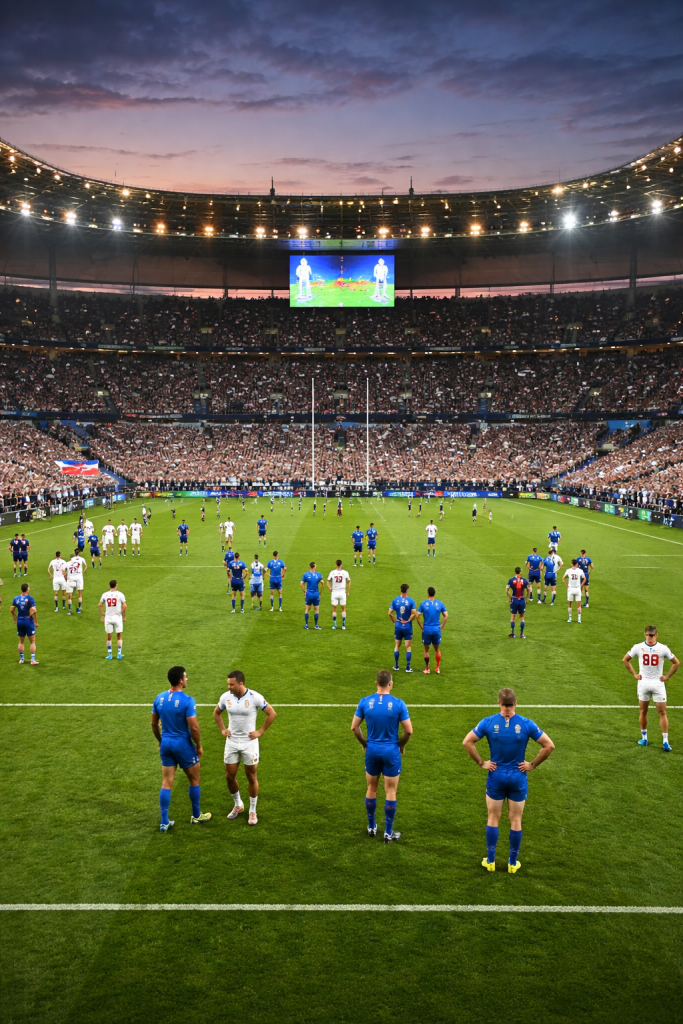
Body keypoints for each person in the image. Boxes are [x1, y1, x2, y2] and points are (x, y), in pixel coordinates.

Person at [462, 687, 555, 873]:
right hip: (517, 776)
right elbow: (549, 746)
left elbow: (467, 742)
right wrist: (532, 764)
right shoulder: (526, 724)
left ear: (498, 703)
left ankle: (490, 861)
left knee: (493, 817)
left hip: (496, 775)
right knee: (516, 819)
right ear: (515, 703)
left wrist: (481, 762)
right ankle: (512, 863)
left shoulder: (488, 722)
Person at [351, 669, 412, 841]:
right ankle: (388, 832)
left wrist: (364, 744)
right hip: (391, 751)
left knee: (371, 788)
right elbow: (409, 730)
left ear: (376, 683)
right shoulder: (399, 703)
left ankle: (371, 827)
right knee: (390, 791)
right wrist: (401, 745)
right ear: (391, 684)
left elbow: (354, 727)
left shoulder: (364, 702)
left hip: (372, 750)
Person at [151, 665, 212, 832]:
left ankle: (164, 822)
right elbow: (194, 728)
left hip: (166, 744)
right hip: (183, 745)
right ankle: (196, 815)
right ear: (180, 680)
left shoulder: (159, 698)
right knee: (194, 779)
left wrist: (160, 740)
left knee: (166, 782)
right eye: (185, 676)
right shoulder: (187, 700)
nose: (187, 679)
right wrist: (198, 745)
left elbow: (154, 724)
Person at [213, 669, 277, 826]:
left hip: (249, 742)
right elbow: (216, 712)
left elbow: (271, 713)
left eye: (231, 684)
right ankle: (238, 804)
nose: (228, 687)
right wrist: (222, 729)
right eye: (228, 684)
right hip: (232, 741)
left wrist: (260, 731)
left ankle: (252, 810)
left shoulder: (255, 697)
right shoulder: (225, 697)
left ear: (241, 683)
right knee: (229, 776)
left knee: (251, 776)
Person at [623, 626, 678, 752]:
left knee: (643, 711)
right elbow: (676, 663)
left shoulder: (638, 647)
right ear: (656, 635)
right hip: (658, 684)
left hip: (643, 683)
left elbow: (625, 659)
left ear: (645, 634)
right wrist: (667, 676)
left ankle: (644, 738)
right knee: (663, 713)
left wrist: (634, 674)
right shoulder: (663, 648)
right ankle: (665, 741)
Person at [417, 586, 448, 674]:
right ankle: (437, 668)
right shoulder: (440, 603)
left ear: (427, 593)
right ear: (434, 594)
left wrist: (421, 626)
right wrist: (442, 625)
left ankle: (427, 668)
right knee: (437, 649)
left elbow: (417, 616)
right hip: (436, 629)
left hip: (426, 629)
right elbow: (446, 616)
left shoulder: (423, 604)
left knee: (426, 650)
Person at [389, 583, 417, 673]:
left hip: (398, 625)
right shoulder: (411, 601)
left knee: (397, 645)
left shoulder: (395, 600)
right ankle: (407, 668)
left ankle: (396, 666)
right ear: (407, 590)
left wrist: (394, 621)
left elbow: (390, 613)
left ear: (400, 590)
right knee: (408, 647)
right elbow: (414, 613)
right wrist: (408, 620)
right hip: (407, 626)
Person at [12, 581, 39, 664]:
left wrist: (15, 619)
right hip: (28, 621)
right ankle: (33, 660)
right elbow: (33, 610)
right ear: (27, 589)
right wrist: (36, 622)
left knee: (21, 641)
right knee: (32, 641)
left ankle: (22, 659)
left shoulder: (16, 598)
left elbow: (12, 609)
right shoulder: (30, 599)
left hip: (20, 621)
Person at [99, 579, 126, 660]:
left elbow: (99, 605)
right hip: (117, 617)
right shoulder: (120, 594)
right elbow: (124, 606)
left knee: (109, 636)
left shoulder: (105, 594)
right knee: (119, 635)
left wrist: (103, 614)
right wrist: (123, 614)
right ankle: (119, 654)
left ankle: (110, 655)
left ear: (110, 585)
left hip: (108, 618)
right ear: (116, 585)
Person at [327, 558, 351, 630]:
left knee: (334, 609)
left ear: (336, 564)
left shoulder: (332, 572)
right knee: (343, 608)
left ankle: (335, 625)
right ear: (341, 565)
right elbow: (349, 581)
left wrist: (330, 588)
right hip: (342, 592)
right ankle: (343, 625)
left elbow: (328, 581)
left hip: (334, 592)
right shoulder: (345, 572)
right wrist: (347, 590)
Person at [506, 567, 530, 639]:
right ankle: (521, 634)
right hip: (522, 599)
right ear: (520, 572)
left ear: (515, 572)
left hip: (514, 599)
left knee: (513, 617)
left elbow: (506, 590)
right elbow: (529, 590)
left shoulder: (511, 580)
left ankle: (513, 633)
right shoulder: (524, 581)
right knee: (522, 617)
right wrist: (526, 599)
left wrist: (510, 599)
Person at [301, 561, 323, 630]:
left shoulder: (305, 575)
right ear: (313, 567)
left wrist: (304, 591)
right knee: (316, 610)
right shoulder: (319, 575)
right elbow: (322, 583)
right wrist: (320, 593)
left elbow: (301, 583)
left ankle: (306, 625)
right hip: (316, 594)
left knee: (307, 609)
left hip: (309, 593)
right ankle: (316, 625)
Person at [66, 547, 88, 615]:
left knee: (70, 595)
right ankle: (78, 609)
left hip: (71, 578)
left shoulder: (70, 561)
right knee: (80, 595)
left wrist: (66, 576)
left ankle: (69, 610)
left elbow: (65, 569)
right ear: (79, 552)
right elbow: (86, 566)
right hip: (79, 578)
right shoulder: (81, 559)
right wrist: (82, 572)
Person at [563, 559, 585, 624]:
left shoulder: (568, 570)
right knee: (578, 604)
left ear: (572, 564)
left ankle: (570, 618)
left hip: (571, 589)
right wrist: (581, 585)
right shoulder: (580, 571)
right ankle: (579, 619)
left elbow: (563, 578)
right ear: (577, 564)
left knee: (570, 604)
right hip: (577, 589)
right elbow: (584, 578)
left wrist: (567, 586)